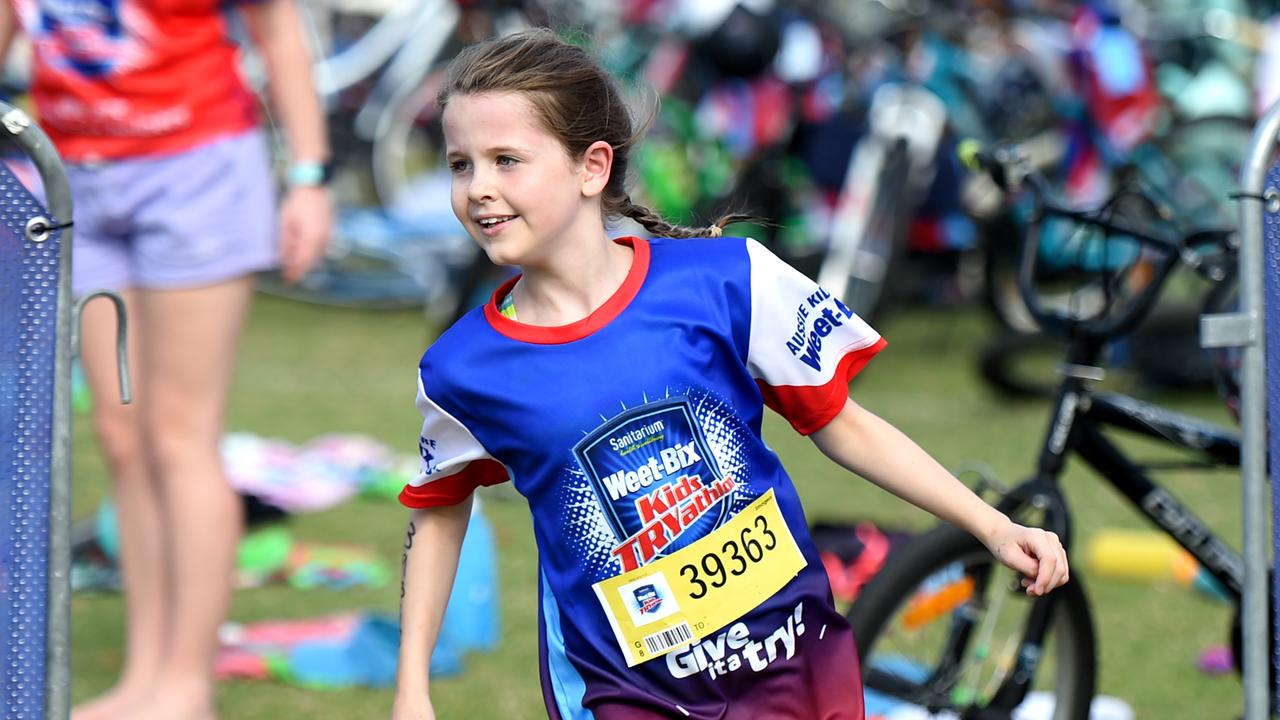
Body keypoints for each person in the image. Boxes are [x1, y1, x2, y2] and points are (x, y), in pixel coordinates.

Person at [393, 29, 1068, 720]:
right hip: (622, 693)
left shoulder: (727, 281)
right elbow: (440, 509)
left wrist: (991, 526)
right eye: (459, 164)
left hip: (791, 661)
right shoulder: (464, 369)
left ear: (592, 167)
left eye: (506, 160)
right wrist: (412, 686)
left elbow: (843, 424)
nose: (479, 189)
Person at [0, 0, 332, 718]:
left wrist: (309, 178)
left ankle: (186, 688)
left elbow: (277, 27)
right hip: (72, 177)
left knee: (179, 435)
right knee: (120, 436)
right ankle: (145, 678)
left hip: (196, 170)